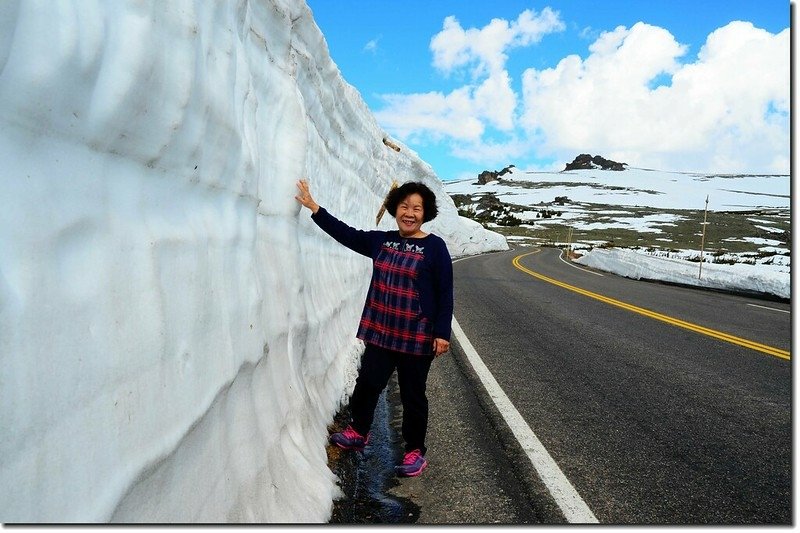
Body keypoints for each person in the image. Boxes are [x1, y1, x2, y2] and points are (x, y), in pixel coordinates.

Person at [295, 179, 453, 477]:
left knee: (412, 396)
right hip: (382, 331)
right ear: (395, 209)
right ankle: (359, 432)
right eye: (404, 206)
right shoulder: (382, 241)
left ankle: (414, 451)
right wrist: (316, 209)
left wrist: (442, 333)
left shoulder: (435, 247)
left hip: (417, 336)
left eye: (417, 208)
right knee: (368, 384)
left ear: (425, 213)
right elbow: (347, 235)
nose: (410, 213)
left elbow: (445, 292)